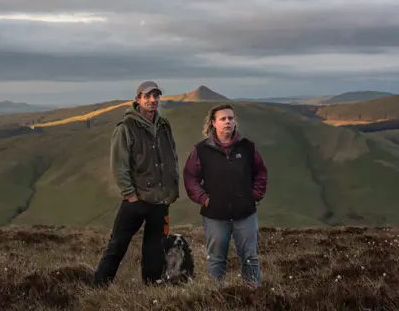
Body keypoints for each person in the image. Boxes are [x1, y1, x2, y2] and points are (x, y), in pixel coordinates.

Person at [93, 80, 179, 288]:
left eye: (156, 96)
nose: (152, 100)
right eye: (147, 96)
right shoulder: (126, 127)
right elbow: (118, 165)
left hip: (160, 200)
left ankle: (151, 287)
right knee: (117, 245)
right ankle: (99, 286)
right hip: (136, 200)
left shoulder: (164, 126)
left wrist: (171, 188)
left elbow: (172, 156)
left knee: (154, 248)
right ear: (138, 99)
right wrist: (130, 195)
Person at [183, 103, 268, 286]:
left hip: (245, 213)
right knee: (216, 260)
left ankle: (254, 296)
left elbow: (261, 172)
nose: (228, 122)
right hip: (215, 215)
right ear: (213, 123)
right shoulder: (201, 150)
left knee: (250, 258)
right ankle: (215, 298)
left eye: (230, 118)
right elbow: (190, 178)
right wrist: (205, 200)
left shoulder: (248, 147)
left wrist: (255, 195)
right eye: (223, 119)